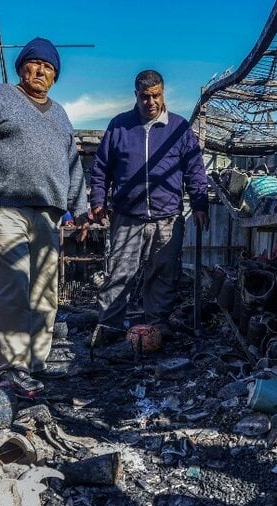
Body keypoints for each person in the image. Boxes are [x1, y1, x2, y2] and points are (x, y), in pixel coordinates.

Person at [0, 37, 87, 398]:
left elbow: (72, 164)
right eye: (33, 65)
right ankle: (12, 366)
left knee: (45, 293)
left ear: (54, 76)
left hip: (49, 214)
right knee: (13, 287)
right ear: (22, 68)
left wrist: (80, 209)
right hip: (6, 208)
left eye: (47, 67)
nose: (39, 71)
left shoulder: (60, 114)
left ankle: (36, 364)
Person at [86, 69, 209, 345]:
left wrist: (200, 203)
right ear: (136, 96)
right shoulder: (119, 126)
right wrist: (98, 200)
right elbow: (101, 168)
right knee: (118, 273)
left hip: (167, 218)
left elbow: (195, 170)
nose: (150, 102)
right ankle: (110, 328)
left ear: (163, 93)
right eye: (145, 96)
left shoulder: (179, 128)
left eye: (156, 95)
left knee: (163, 275)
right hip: (127, 216)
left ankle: (156, 327)